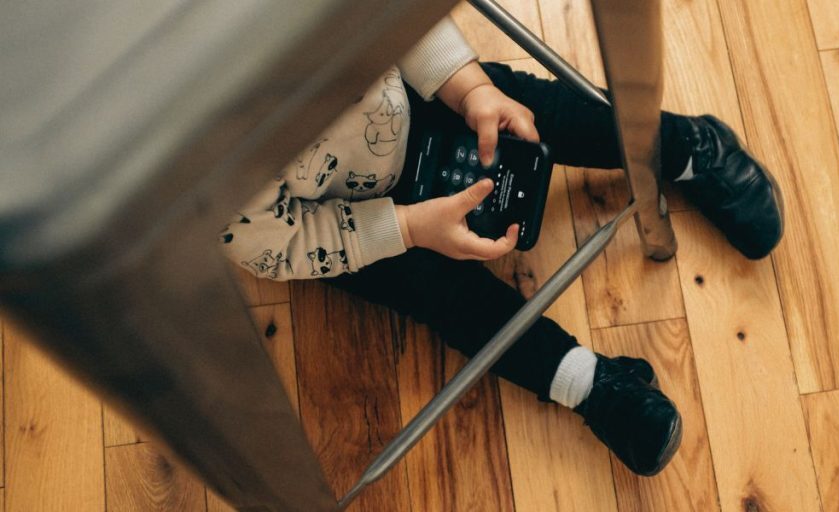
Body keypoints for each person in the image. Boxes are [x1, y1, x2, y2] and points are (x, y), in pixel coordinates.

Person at [222, 18, 783, 476]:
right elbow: (284, 243)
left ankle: (689, 146)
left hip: (423, 99)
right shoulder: (189, 188)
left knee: (544, 117)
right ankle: (589, 384)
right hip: (355, 219)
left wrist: (471, 88)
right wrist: (410, 227)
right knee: (446, 299)